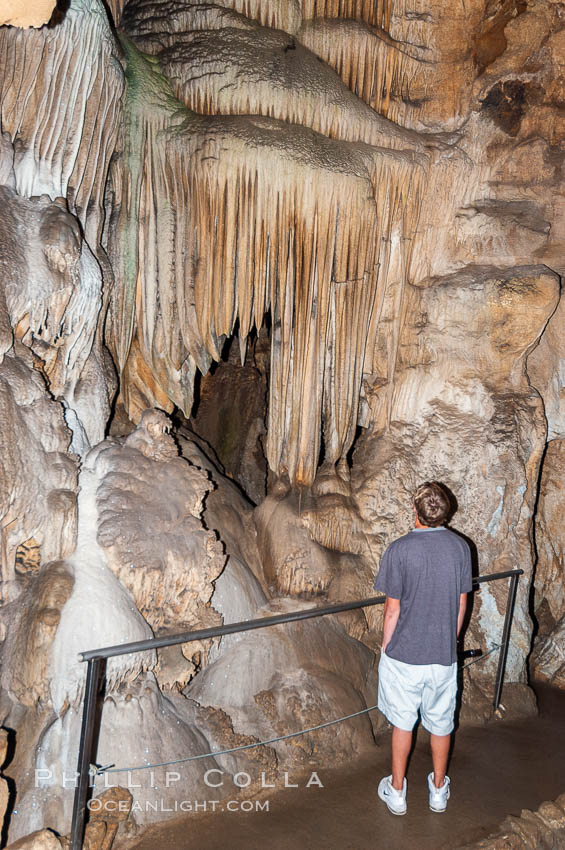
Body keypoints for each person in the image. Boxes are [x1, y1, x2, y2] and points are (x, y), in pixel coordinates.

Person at [373, 481, 473, 815]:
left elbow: (392, 609)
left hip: (405, 655)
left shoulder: (400, 550)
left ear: (415, 511)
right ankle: (439, 791)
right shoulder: (460, 548)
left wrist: (386, 647)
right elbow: (461, 604)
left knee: (403, 723)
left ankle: (397, 791)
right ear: (446, 512)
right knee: (441, 723)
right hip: (442, 655)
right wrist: (450, 640)